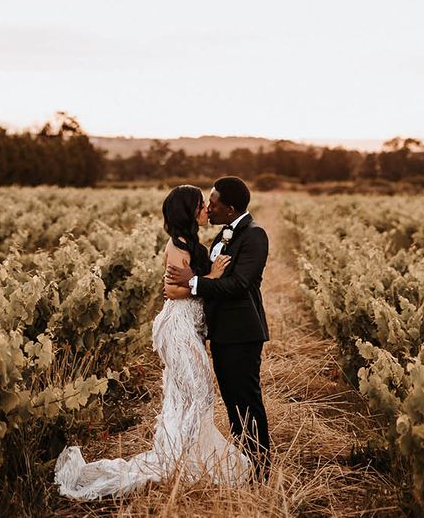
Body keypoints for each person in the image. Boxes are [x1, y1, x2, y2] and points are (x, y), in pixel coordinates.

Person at [54, 185, 250, 499]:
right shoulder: (177, 246)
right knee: (197, 393)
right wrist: (211, 277)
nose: (205, 210)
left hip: (190, 327)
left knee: (193, 394)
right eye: (200, 205)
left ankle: (187, 457)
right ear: (189, 211)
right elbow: (172, 291)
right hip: (179, 327)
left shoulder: (189, 242)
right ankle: (180, 461)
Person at [164, 176, 270, 479]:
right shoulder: (223, 235)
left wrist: (193, 282)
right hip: (222, 333)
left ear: (231, 208)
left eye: (213, 202)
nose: (208, 208)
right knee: (233, 404)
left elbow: (238, 284)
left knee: (247, 402)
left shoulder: (254, 236)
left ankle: (260, 470)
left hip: (242, 334)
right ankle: (242, 466)